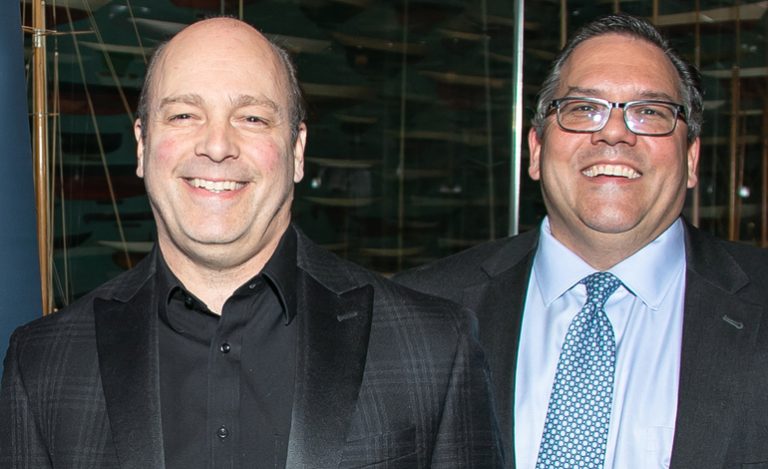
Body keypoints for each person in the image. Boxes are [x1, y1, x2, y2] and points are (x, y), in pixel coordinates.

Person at [0, 17, 502, 468]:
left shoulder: (434, 346)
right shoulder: (43, 363)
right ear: (141, 145)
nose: (217, 146)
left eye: (253, 118)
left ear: (297, 150)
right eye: (183, 115)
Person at [396, 13, 768, 469]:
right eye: (583, 108)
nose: (614, 133)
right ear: (536, 150)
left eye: (649, 112)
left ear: (691, 160)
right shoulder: (416, 311)